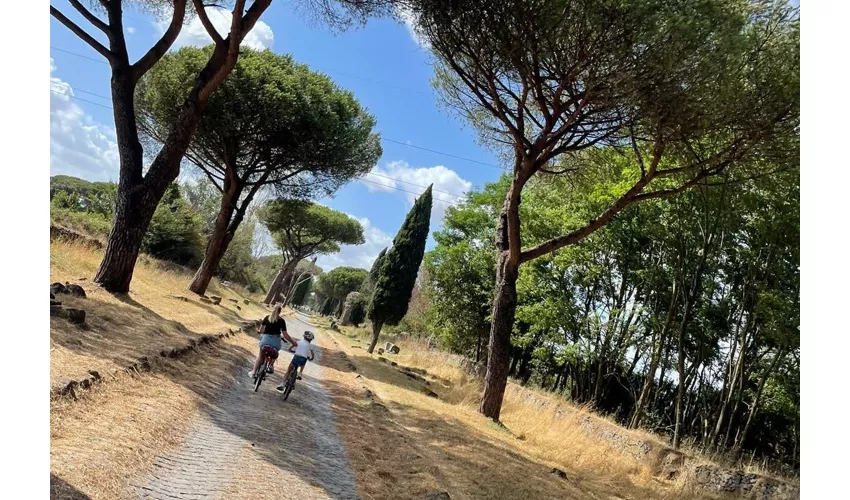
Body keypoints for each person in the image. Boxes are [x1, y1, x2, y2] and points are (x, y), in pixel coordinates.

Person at [249, 305, 295, 377]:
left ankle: (253, 372)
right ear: (280, 312)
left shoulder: (267, 318)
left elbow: (261, 330)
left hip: (266, 340)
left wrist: (261, 332)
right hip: (276, 341)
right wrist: (293, 342)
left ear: (273, 309)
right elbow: (285, 335)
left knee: (261, 356)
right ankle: (270, 365)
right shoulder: (282, 321)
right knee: (275, 354)